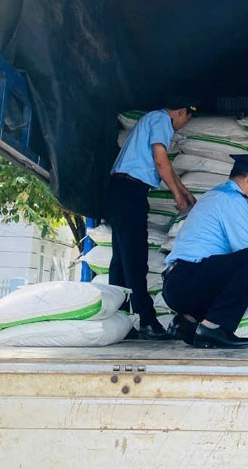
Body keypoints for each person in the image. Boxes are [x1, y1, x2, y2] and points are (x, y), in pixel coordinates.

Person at [162, 154, 248, 349]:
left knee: (231, 275)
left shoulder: (214, 194)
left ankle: (186, 323)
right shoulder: (233, 199)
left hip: (176, 285)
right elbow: (247, 252)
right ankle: (214, 328)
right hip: (188, 281)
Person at [106, 101, 198, 340]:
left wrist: (184, 191)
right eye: (185, 120)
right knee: (134, 258)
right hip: (130, 192)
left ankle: (121, 321)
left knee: (122, 259)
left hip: (120, 189)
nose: (180, 126)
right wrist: (178, 196)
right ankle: (146, 320)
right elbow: (160, 160)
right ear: (181, 111)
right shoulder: (161, 121)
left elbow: (164, 166)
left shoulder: (151, 119)